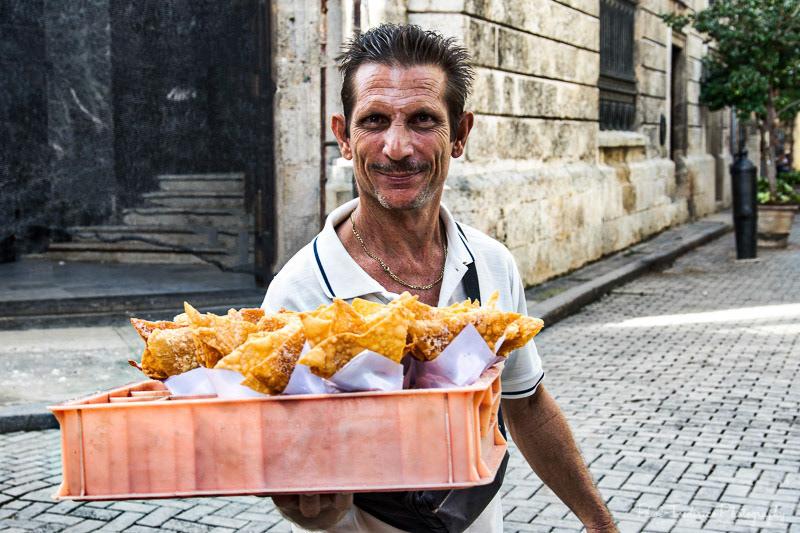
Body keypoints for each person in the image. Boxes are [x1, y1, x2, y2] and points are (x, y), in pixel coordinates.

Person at [262, 23, 617, 533]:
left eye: (423, 120)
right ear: (343, 136)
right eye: (374, 120)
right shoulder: (298, 294)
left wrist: (599, 522)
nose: (397, 147)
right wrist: (314, 504)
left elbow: (527, 404)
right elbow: (302, 484)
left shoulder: (491, 264)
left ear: (461, 135)